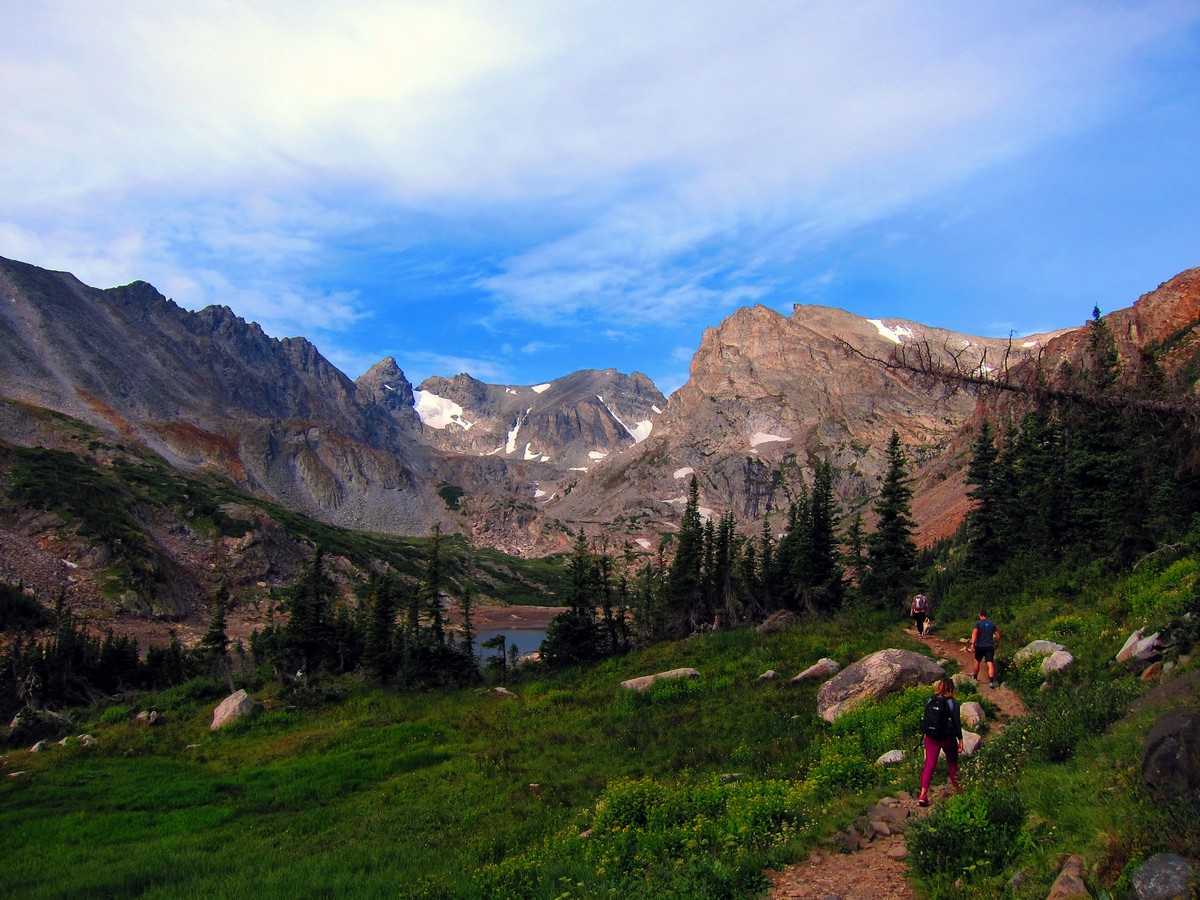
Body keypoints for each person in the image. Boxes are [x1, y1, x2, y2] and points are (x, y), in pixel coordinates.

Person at [917, 677, 963, 807]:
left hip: (931, 737)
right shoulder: (953, 703)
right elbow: (956, 723)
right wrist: (960, 739)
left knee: (929, 765)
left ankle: (923, 795)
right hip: (947, 738)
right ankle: (958, 791)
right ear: (951, 688)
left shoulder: (931, 700)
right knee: (952, 764)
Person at [970, 609, 1001, 688]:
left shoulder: (978, 623)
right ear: (986, 615)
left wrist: (973, 644)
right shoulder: (992, 624)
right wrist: (996, 643)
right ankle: (991, 681)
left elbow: (974, 634)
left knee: (977, 661)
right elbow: (998, 635)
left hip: (980, 646)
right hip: (989, 646)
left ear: (980, 615)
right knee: (990, 663)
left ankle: (975, 677)